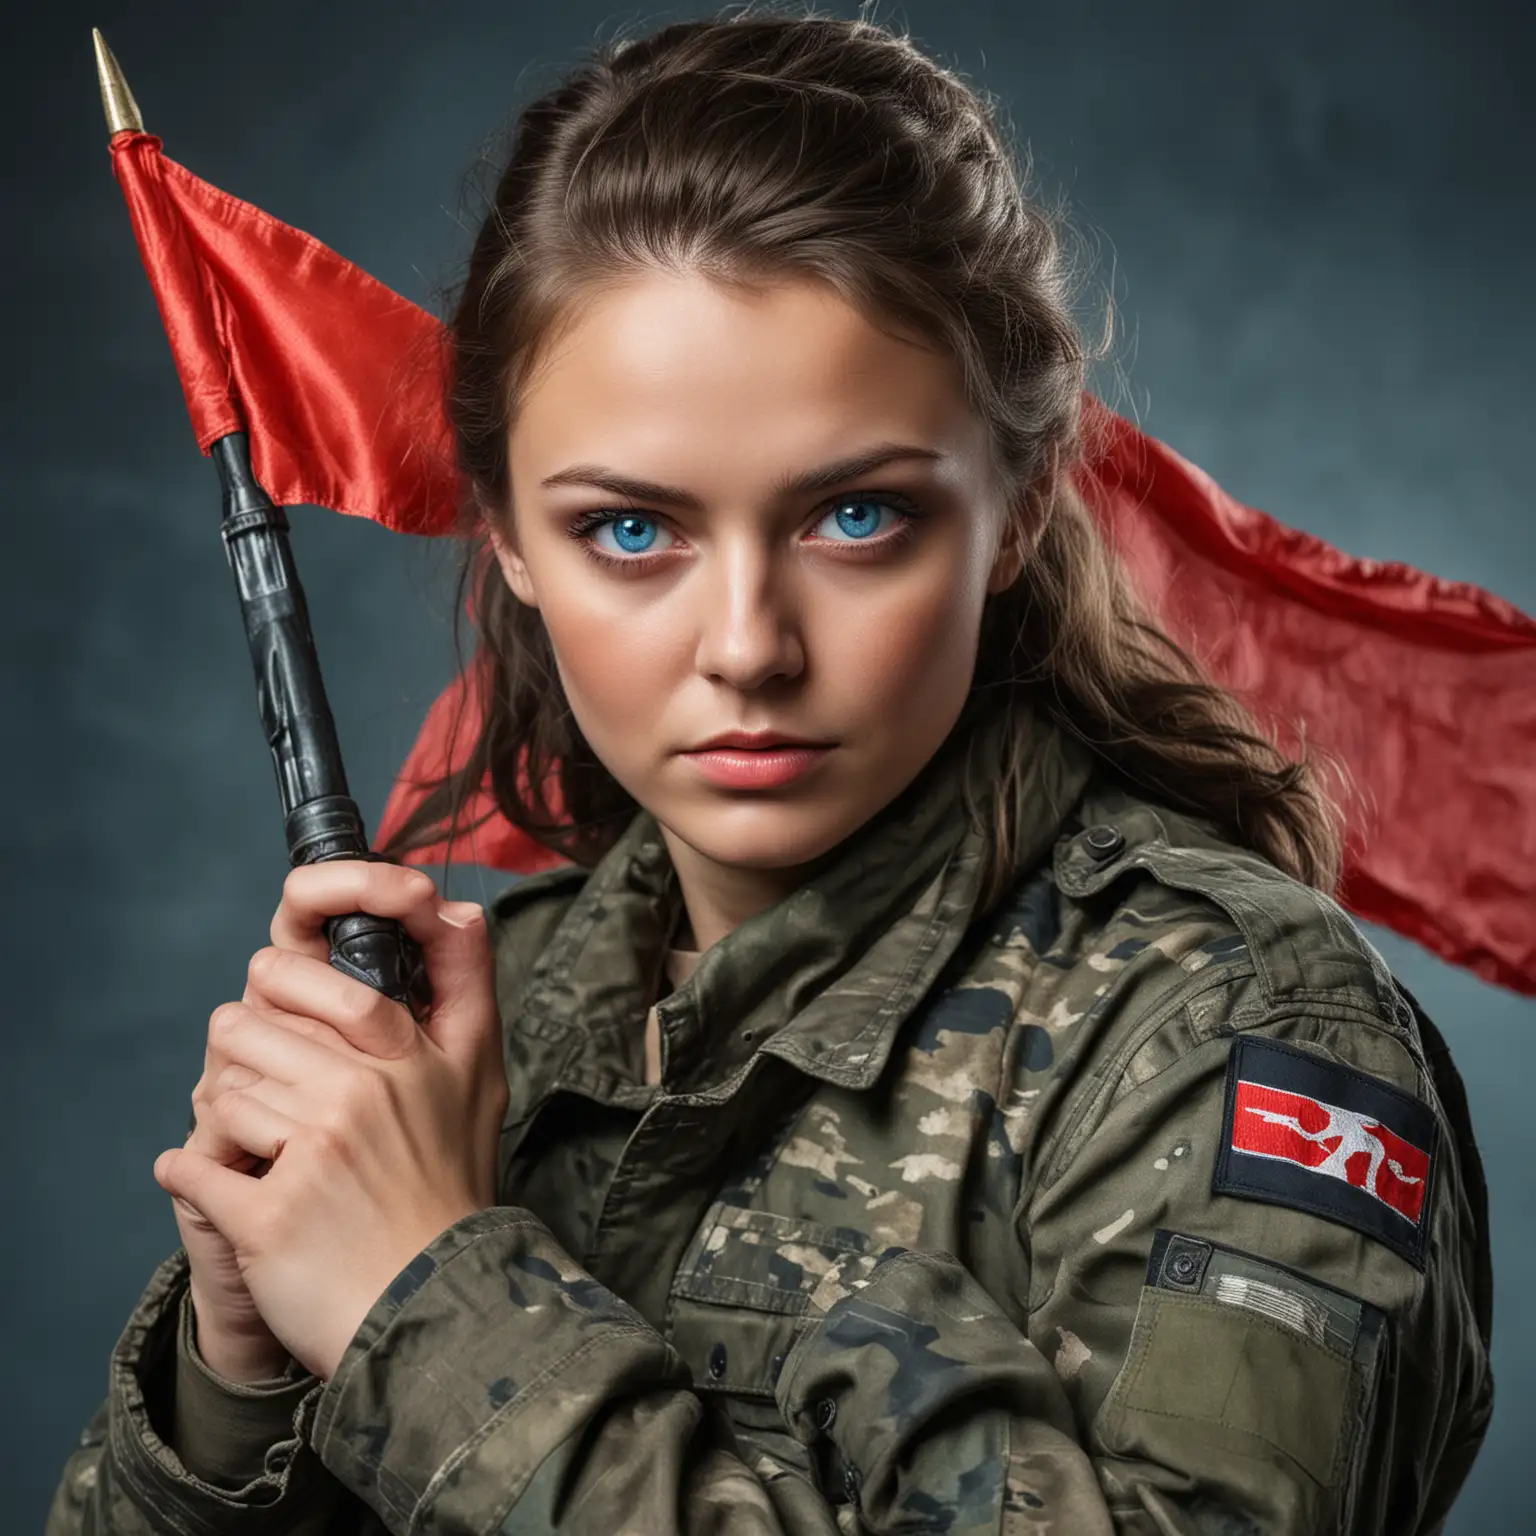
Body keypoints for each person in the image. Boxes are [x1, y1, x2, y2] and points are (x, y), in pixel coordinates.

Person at [48, 11, 1492, 1534]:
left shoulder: (1217, 1036)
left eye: (854, 519)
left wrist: (428, 1298)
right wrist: (243, 1365)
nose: (747, 646)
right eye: (630, 530)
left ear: (1013, 508)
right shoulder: (467, 1030)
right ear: (509, 540)